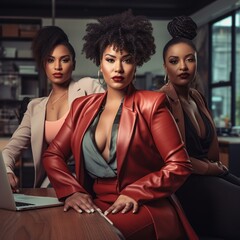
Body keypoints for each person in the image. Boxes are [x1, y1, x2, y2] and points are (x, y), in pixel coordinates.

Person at [42, 10, 198, 240]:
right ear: (100, 63)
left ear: (136, 65)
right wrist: (72, 191)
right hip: (96, 204)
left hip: (143, 205)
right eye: (110, 60)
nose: (118, 68)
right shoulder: (81, 107)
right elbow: (53, 154)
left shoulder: (152, 104)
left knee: (92, 235)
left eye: (127, 60)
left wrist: (136, 191)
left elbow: (180, 164)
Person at [159, 15, 240, 239]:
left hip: (209, 175)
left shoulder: (197, 97)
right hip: (184, 182)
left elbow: (210, 150)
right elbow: (168, 158)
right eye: (174, 61)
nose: (183, 67)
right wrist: (211, 169)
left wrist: (215, 168)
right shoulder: (160, 100)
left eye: (189, 59)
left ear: (197, 61)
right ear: (165, 65)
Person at [2, 26, 105, 190]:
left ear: (74, 64)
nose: (57, 66)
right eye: (51, 60)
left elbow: (117, 110)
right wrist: (7, 172)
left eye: (64, 60)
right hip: (51, 182)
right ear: (44, 65)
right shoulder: (34, 107)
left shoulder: (87, 87)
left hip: (87, 179)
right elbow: (9, 151)